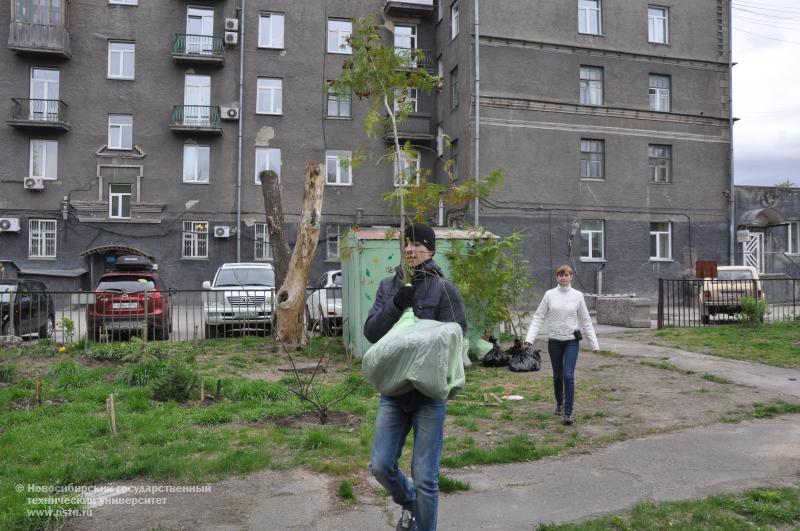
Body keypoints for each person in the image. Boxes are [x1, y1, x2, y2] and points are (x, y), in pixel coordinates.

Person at [364, 223, 467, 531]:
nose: (409, 249)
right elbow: (371, 333)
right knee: (381, 466)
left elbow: (457, 337)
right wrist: (397, 304)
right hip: (393, 393)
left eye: (417, 244)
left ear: (430, 249)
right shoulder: (388, 286)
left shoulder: (444, 289)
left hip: (427, 396)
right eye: (405, 244)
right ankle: (410, 503)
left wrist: (422, 333)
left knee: (425, 477)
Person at [524, 264, 599, 426]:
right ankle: (559, 402)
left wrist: (594, 344)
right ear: (557, 277)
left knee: (568, 375)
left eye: (566, 275)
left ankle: (568, 412)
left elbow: (585, 320)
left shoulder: (578, 296)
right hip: (555, 341)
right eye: (560, 275)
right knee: (557, 376)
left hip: (572, 341)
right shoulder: (549, 295)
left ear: (571, 277)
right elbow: (538, 317)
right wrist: (530, 338)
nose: (563, 278)